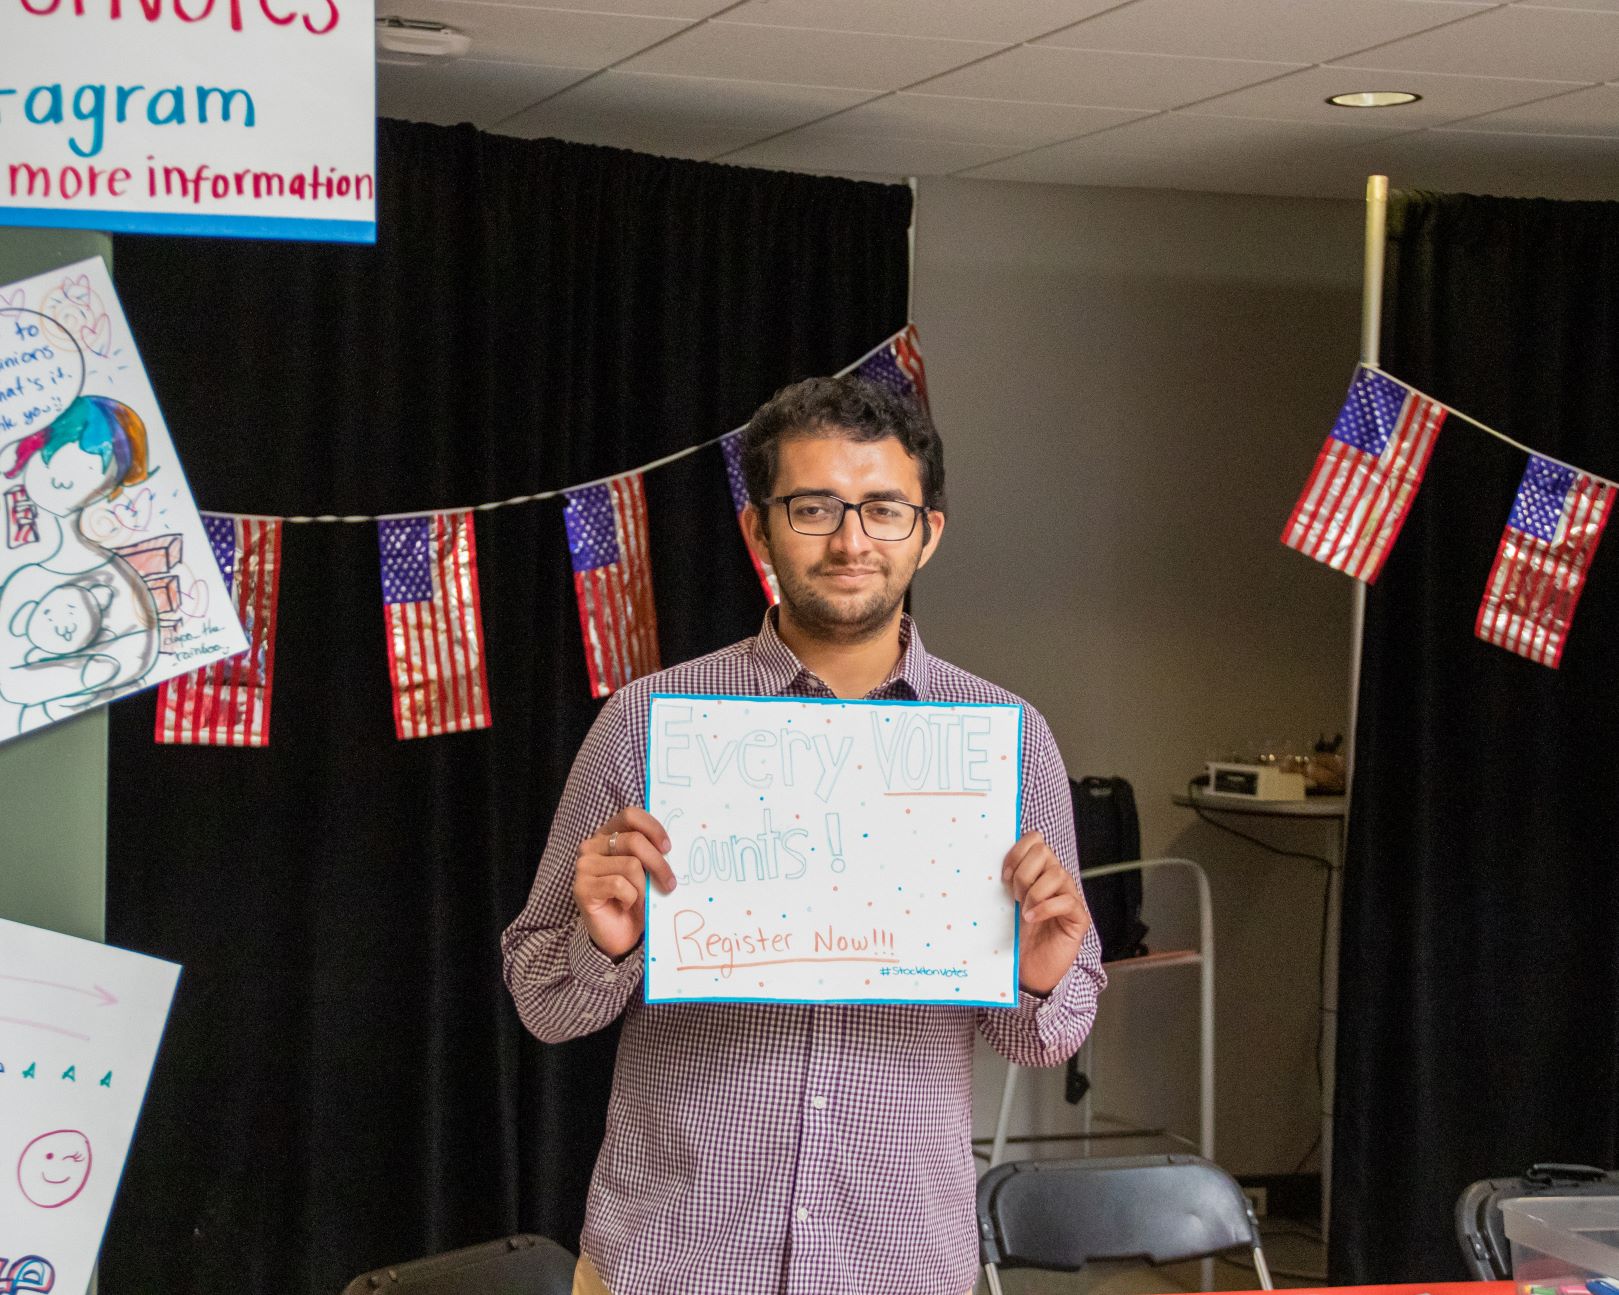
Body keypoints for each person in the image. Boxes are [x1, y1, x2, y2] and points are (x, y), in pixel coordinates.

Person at [502, 375, 1105, 1295]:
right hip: (673, 1261)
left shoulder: (1006, 742)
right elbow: (544, 1002)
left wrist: (1037, 972)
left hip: (898, 1263)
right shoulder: (648, 723)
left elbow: (1044, 1040)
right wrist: (603, 943)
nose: (851, 539)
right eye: (814, 506)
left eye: (883, 509)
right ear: (758, 529)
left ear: (927, 533)